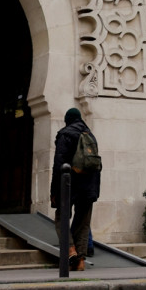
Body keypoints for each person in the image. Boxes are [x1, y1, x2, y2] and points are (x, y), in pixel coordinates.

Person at [51, 107, 100, 271]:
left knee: (61, 218)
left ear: (68, 120)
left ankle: (70, 249)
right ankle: (80, 261)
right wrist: (94, 192)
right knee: (83, 223)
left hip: (70, 185)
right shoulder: (90, 135)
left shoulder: (65, 134)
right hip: (89, 187)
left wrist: (54, 192)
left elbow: (59, 164)